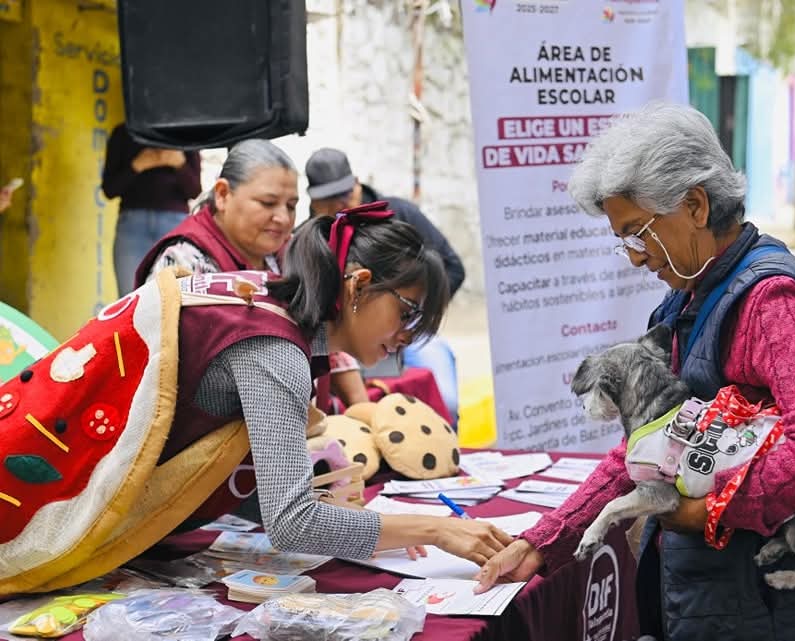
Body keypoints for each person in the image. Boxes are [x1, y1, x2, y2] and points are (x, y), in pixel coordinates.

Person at [476, 103, 795, 641]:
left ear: (695, 205)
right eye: (624, 240)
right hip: (729, 597)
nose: (634, 257)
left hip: (781, 611)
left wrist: (709, 509)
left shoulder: (770, 302)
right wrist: (544, 541)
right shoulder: (688, 298)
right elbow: (651, 447)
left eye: (638, 233)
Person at [0, 203, 511, 593]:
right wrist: (434, 530)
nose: (407, 337)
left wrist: (372, 529)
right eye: (408, 313)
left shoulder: (265, 301)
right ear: (358, 286)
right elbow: (292, 522)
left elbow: (259, 489)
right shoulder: (275, 352)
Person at [133, 139, 367, 407]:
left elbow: (327, 334)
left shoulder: (290, 254)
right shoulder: (183, 262)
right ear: (223, 195)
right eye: (268, 203)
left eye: (291, 206)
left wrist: (359, 405)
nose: (283, 218)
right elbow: (165, 371)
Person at [306, 148, 464, 424]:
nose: (339, 206)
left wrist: (412, 315)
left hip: (405, 330)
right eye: (328, 200)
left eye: (344, 196)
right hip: (345, 337)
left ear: (357, 184)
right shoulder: (313, 239)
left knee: (445, 404)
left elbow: (453, 268)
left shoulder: (400, 212)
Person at [102, 122, 202, 296]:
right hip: (132, 226)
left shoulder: (185, 132)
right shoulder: (124, 132)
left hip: (174, 226)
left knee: (176, 297)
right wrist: (137, 165)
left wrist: (179, 164)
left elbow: (194, 191)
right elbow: (110, 189)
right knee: (130, 298)